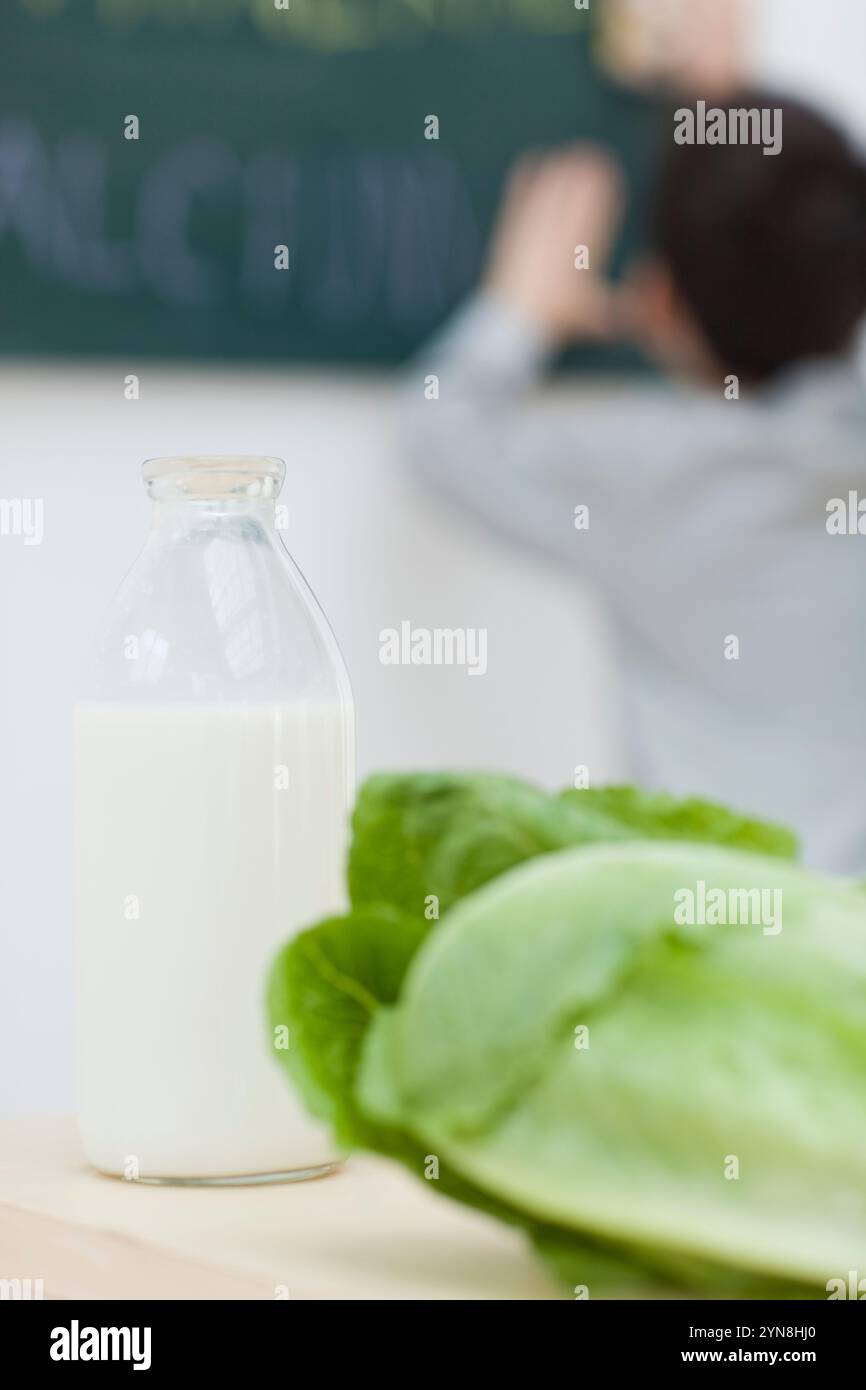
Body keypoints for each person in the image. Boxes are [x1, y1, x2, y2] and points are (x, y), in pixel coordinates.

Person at [399, 91, 866, 872]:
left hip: (693, 933)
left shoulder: (634, 474)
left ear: (659, 304)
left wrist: (518, 308)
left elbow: (438, 431)